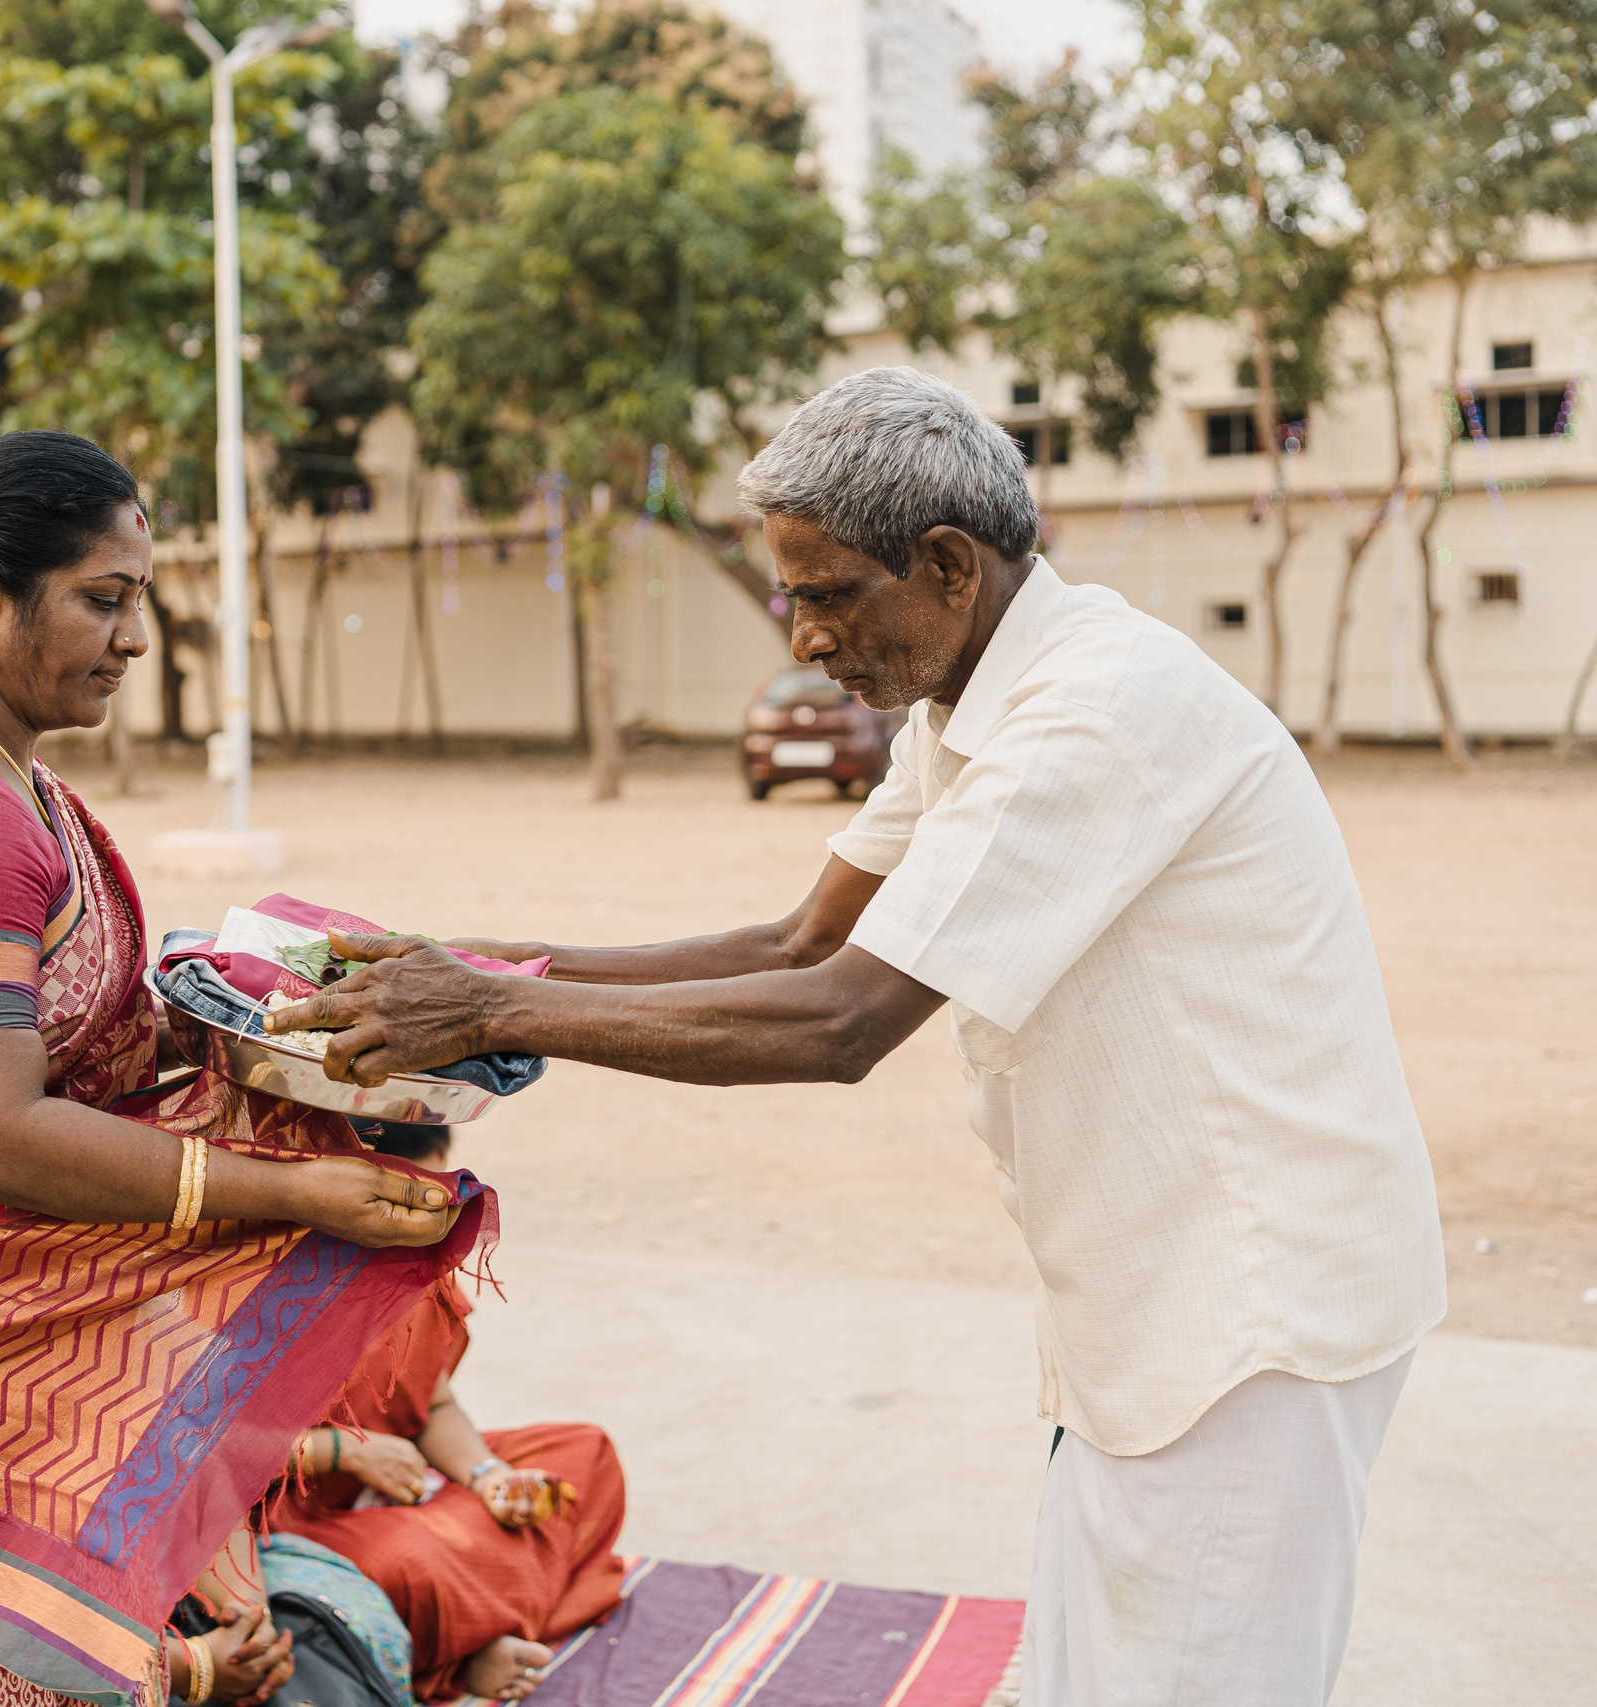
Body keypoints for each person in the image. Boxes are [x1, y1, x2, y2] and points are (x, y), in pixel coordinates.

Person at [272, 366, 1446, 1707]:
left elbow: (842, 1017)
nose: (807, 637)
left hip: (1251, 1307)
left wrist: (485, 1008)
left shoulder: (1091, 711)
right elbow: (798, 942)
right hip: (1153, 1296)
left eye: (827, 593)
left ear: (945, 563)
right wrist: (467, 960)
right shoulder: (965, 702)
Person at [0, 430, 490, 1707]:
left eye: (141, 602)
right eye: (103, 599)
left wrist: (259, 1013)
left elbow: (45, 1029)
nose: (133, 638)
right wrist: (292, 1192)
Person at [272, 1122, 624, 1703]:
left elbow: (432, 1402)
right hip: (293, 1532)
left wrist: (488, 1477)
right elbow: (197, 1451)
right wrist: (340, 1451)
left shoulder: (414, 1268)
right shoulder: (258, 1274)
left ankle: (477, 1623)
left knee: (584, 1453)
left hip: (402, 1492)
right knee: (411, 1563)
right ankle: (464, 1658)